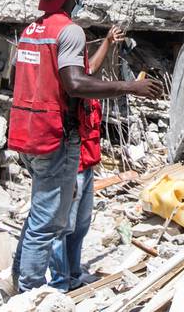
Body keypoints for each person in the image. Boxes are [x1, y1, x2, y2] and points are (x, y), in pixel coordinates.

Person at [9, 0, 160, 292]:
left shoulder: (33, 31)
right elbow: (75, 83)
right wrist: (129, 87)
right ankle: (30, 293)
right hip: (55, 137)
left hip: (28, 133)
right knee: (49, 222)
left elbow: (53, 77)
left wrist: (106, 44)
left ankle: (22, 276)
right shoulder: (69, 31)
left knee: (39, 215)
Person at [49, 24, 125, 291]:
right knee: (62, 227)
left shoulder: (84, 79)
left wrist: (108, 42)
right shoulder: (74, 86)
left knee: (80, 226)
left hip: (88, 162)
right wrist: (129, 86)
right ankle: (59, 282)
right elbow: (86, 76)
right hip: (73, 164)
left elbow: (91, 68)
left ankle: (72, 274)